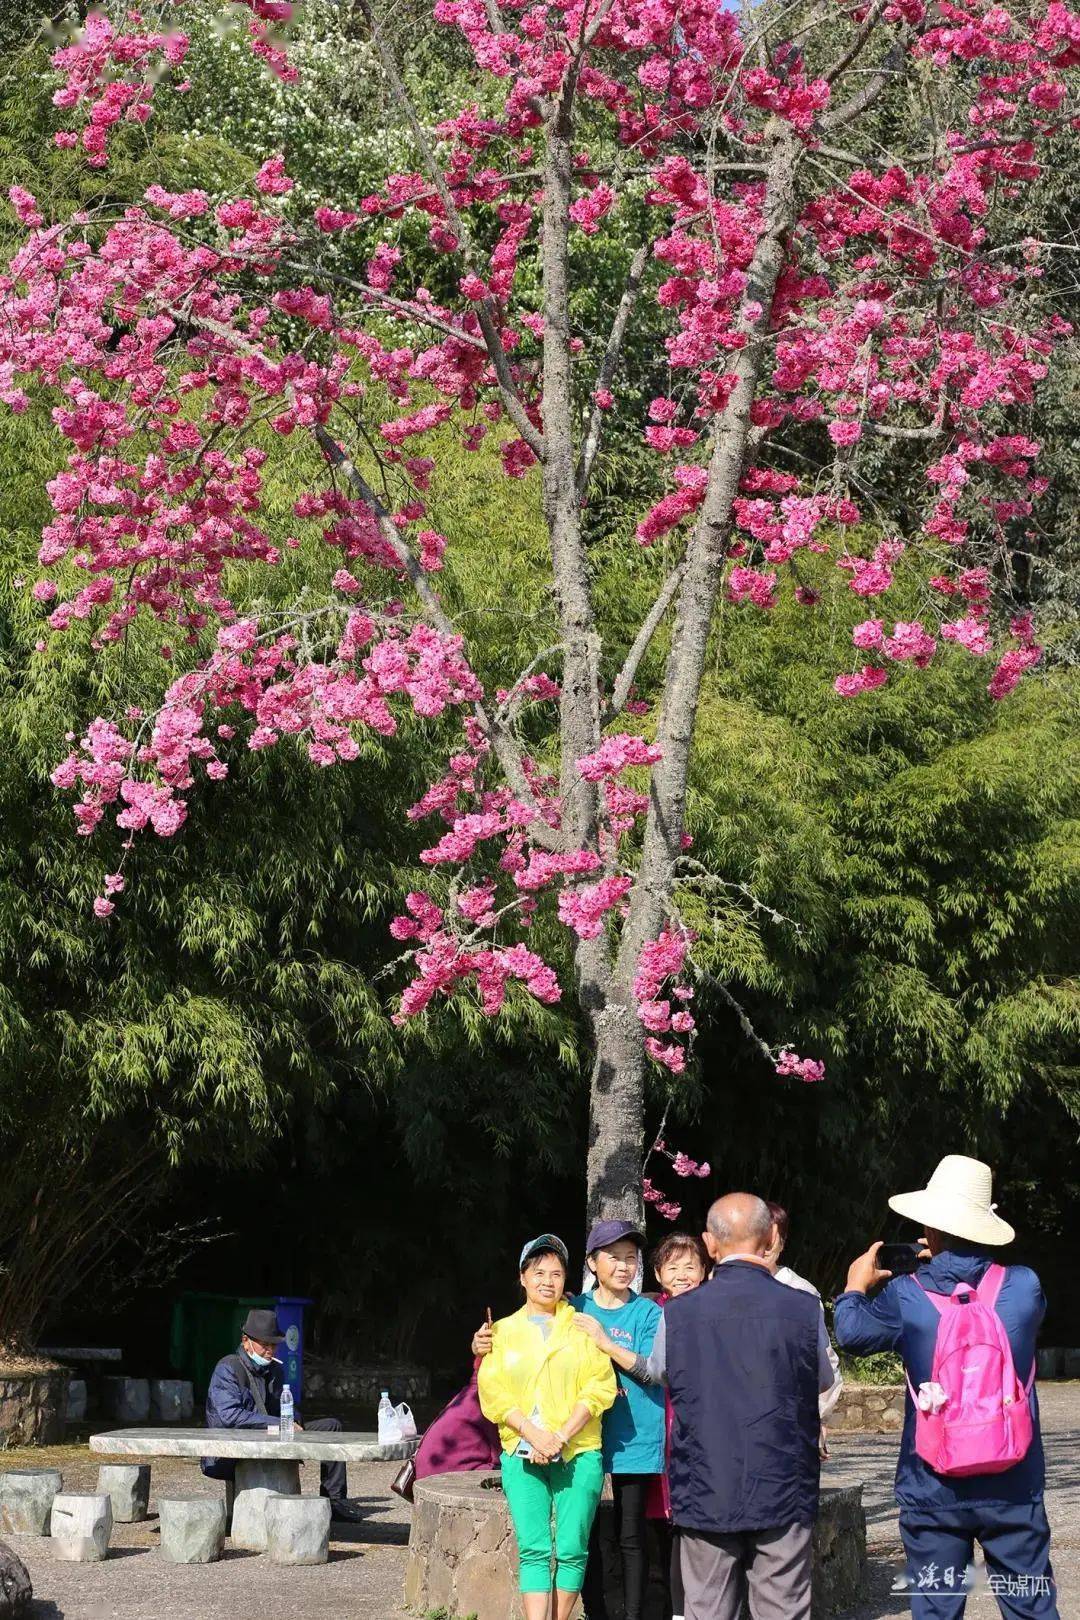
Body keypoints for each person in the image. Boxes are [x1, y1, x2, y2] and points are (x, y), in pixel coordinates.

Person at [834, 1155, 1059, 1619]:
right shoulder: (1025, 1286)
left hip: (932, 1485)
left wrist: (855, 1287)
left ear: (931, 1229)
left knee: (936, 1607)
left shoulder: (906, 1295)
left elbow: (853, 1334)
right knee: (1031, 1605)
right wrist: (948, 1260)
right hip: (1013, 1483)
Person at [645, 1193, 837, 1620]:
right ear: (770, 1237)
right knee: (783, 1609)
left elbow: (659, 1370)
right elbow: (822, 1379)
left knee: (708, 1610)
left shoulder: (677, 1313)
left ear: (709, 1244)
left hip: (705, 1483)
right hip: (783, 1484)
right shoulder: (802, 1308)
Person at [477, 1234, 617, 1620]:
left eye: (556, 1273)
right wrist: (533, 1434)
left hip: (578, 1448)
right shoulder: (500, 1332)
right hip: (521, 1449)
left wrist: (559, 1436)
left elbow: (599, 1386)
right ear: (522, 1277)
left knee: (572, 1547)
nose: (548, 1281)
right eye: (538, 1272)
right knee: (534, 1547)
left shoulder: (583, 1327)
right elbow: (494, 1392)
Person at [571, 1219, 667, 1620]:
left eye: (632, 1258)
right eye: (614, 1257)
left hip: (637, 1434)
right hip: (584, 1434)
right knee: (588, 1534)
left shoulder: (646, 1312)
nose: (625, 1266)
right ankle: (595, 1611)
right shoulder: (575, 1308)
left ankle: (632, 1615)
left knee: (630, 1534)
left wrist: (604, 1342)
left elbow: (652, 1370)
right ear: (593, 1262)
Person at [202, 1306, 363, 1521]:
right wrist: (278, 1423)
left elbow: (283, 1407)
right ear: (246, 1341)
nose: (270, 1350)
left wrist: (294, 1418)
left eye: (274, 1345)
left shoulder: (275, 1370)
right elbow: (230, 1417)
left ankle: (335, 1502)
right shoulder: (228, 1368)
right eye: (264, 1344)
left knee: (332, 1427)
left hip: (271, 1436)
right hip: (231, 1448)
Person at [644, 1232, 710, 1620]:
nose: (683, 1274)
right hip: (657, 1425)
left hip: (699, 1426)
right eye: (673, 1266)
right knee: (657, 1527)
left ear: (705, 1271)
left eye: (691, 1266)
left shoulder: (713, 1310)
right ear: (658, 1273)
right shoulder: (650, 1313)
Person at [765, 1200, 843, 1449]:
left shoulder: (801, 1292)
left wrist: (817, 1417)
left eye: (772, 1236)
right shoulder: (723, 1290)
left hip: (790, 1419)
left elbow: (823, 1360)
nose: (765, 1245)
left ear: (783, 1241)